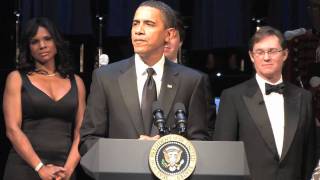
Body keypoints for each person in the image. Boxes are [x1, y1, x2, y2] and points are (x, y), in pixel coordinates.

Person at [79, 0, 210, 156]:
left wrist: (164, 149)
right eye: (135, 23)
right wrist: (132, 151)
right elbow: (88, 141)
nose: (138, 31)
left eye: (149, 24)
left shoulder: (191, 81)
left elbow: (200, 142)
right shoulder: (106, 78)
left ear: (169, 35)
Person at [213, 26, 316, 180]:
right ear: (252, 56)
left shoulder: (304, 98)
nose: (266, 57)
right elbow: (223, 156)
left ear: (285, 54)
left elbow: (310, 156)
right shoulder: (232, 97)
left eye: (273, 51)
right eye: (260, 52)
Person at [3, 17, 86, 180]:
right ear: (28, 47)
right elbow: (12, 129)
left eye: (47, 39)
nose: (42, 45)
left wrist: (68, 170)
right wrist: (40, 167)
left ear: (57, 42)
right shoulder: (17, 78)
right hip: (25, 168)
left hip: (64, 170)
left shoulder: (76, 82)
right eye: (35, 41)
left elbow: (81, 132)